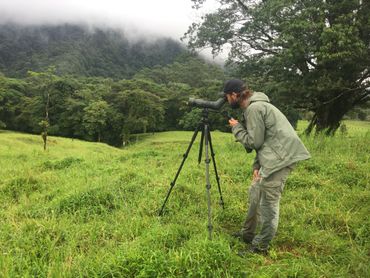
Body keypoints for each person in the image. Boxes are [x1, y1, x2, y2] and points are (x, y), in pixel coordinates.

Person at [223, 79, 311, 255]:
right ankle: (247, 234)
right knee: (255, 192)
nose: (227, 101)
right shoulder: (255, 105)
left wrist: (237, 128)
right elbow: (266, 139)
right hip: (271, 157)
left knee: (268, 204)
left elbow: (254, 141)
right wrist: (257, 164)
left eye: (227, 97)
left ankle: (260, 246)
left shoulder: (254, 108)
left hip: (280, 160)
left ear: (234, 95)